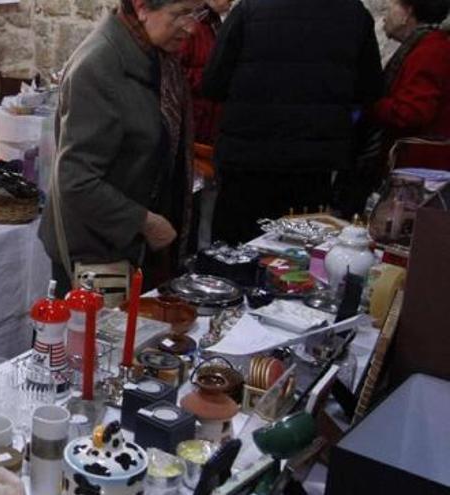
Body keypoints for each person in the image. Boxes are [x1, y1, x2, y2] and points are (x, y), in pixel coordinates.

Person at [39, 0, 199, 296]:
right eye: (180, 14)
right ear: (141, 7)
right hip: (96, 254)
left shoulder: (156, 58)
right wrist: (145, 221)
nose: (190, 27)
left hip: (131, 251)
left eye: (195, 13)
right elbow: (75, 180)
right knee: (94, 343)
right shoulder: (99, 66)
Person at [202, 0, 383, 244]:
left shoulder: (249, 9)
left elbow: (213, 82)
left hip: (248, 155)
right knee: (297, 252)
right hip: (314, 161)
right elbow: (369, 89)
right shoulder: (354, 14)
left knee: (234, 248)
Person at [177, 0, 233, 249]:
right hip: (194, 132)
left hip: (211, 135)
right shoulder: (193, 25)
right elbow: (177, 73)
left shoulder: (214, 24)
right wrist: (215, 79)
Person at [373, 0, 450, 170]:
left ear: (407, 13)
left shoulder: (430, 52)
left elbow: (412, 112)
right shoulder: (430, 46)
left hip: (420, 166)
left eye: (390, 8)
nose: (385, 18)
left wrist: (373, 105)